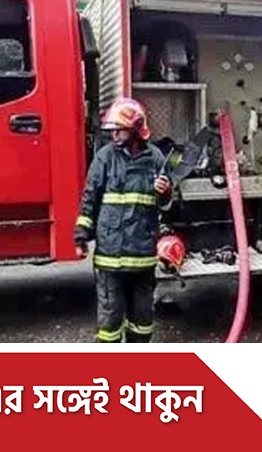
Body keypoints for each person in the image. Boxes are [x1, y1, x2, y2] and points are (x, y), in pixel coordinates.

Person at [75, 98, 173, 343]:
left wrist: (165, 192)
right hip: (111, 258)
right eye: (113, 129)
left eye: (119, 129)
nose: (114, 134)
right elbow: (90, 197)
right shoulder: (105, 157)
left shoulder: (156, 158)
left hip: (142, 257)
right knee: (109, 321)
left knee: (142, 320)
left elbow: (167, 206)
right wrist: (81, 236)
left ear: (136, 128)